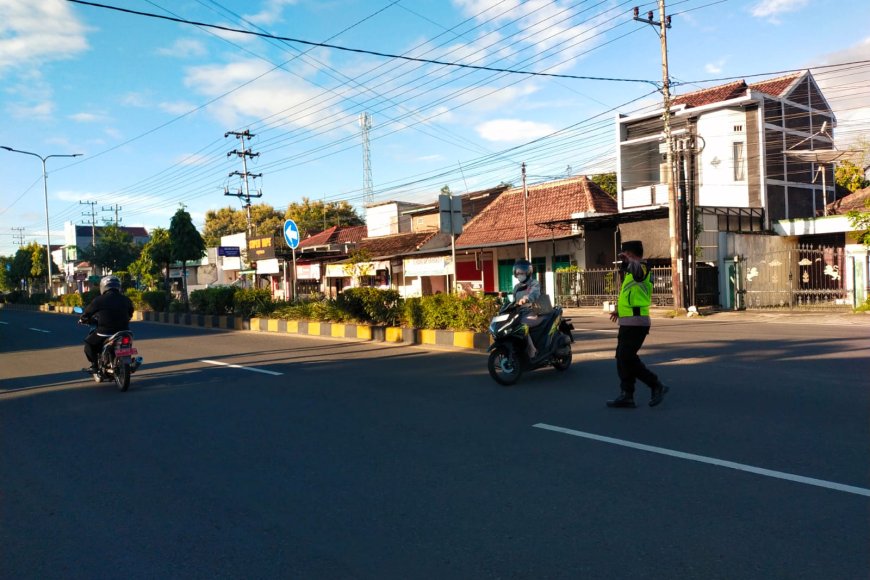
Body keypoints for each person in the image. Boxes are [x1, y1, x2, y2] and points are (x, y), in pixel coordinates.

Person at [607, 241, 669, 408]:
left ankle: (656, 385)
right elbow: (632, 295)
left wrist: (631, 259)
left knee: (626, 357)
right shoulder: (630, 273)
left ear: (631, 254)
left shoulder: (642, 268)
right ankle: (627, 394)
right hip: (628, 322)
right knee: (622, 358)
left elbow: (638, 274)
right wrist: (619, 311)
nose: (623, 259)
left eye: (625, 254)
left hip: (637, 323)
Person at [80, 275, 135, 373]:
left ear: (103, 287)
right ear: (118, 286)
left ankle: (95, 366)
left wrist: (83, 319)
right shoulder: (126, 299)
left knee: (89, 343)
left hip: (105, 332)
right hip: (125, 331)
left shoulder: (99, 300)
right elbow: (130, 313)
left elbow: (87, 313)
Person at [512, 259, 542, 359]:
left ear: (528, 272)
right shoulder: (516, 287)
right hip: (520, 313)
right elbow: (513, 301)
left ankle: (532, 350)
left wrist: (526, 298)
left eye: (521, 272)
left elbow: (534, 293)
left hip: (533, 311)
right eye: (517, 272)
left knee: (522, 326)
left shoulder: (534, 283)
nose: (519, 274)